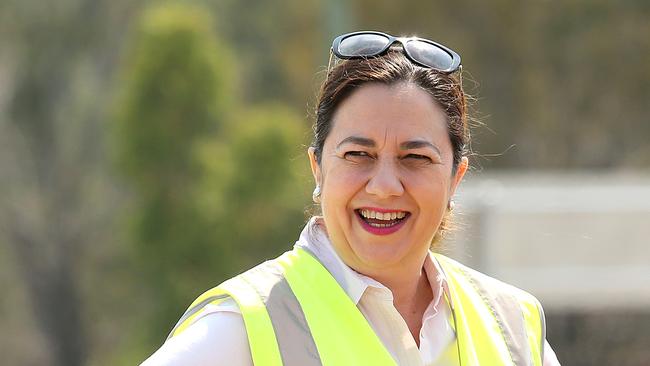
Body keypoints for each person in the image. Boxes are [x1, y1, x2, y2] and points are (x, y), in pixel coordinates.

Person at [142, 31, 561, 365]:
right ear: (318, 169)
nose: (384, 185)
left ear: (456, 179)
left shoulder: (513, 328)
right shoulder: (243, 326)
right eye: (358, 154)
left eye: (415, 157)